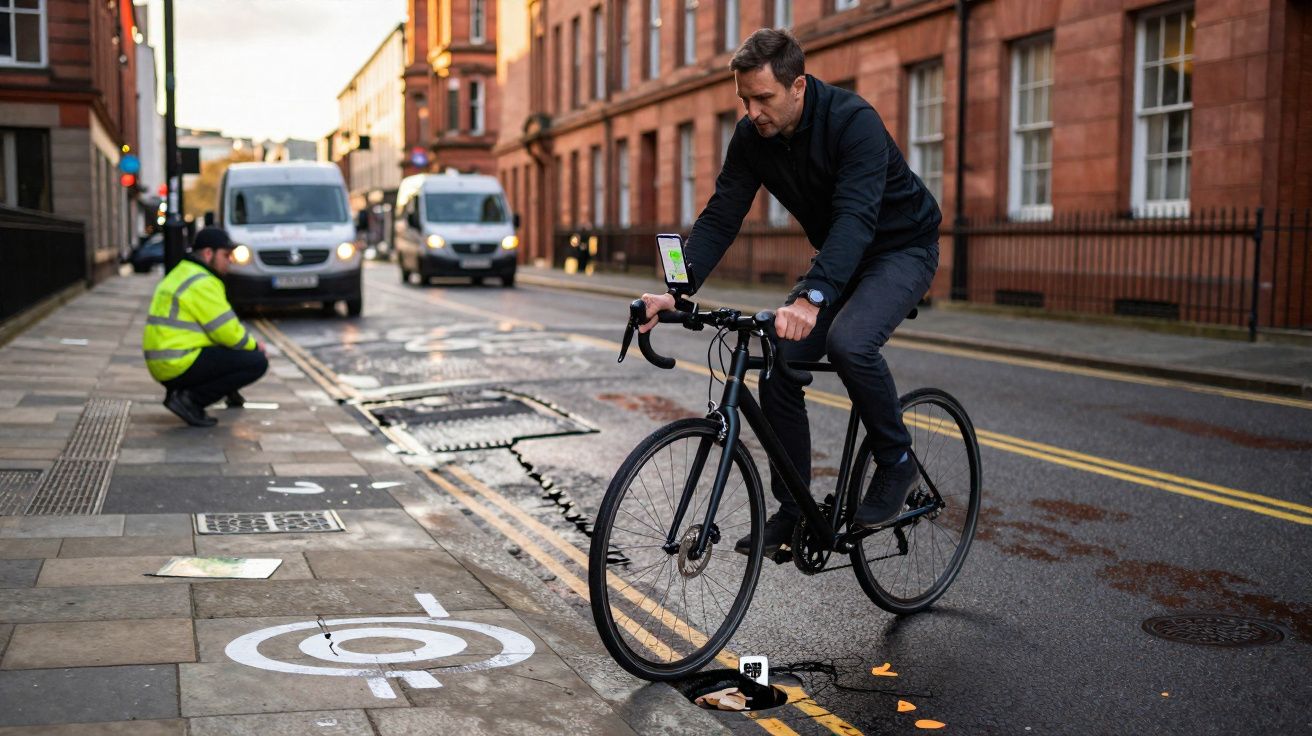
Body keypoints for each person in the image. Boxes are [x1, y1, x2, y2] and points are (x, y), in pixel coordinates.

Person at [639, 29, 942, 556]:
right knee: (780, 360)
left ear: (798, 85)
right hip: (841, 259)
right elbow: (721, 215)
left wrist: (812, 298)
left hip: (901, 249)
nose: (753, 111)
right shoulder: (752, 139)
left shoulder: (853, 122)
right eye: (744, 99)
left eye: (763, 98)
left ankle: (897, 462)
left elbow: (855, 219)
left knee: (850, 342)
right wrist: (676, 293)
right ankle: (794, 508)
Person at [142, 227, 268, 427]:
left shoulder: (183, 272)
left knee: (231, 353)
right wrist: (254, 346)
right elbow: (228, 332)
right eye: (226, 255)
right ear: (209, 253)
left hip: (165, 361)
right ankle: (190, 400)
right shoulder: (202, 282)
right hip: (178, 362)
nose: (230, 261)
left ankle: (220, 392)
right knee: (256, 362)